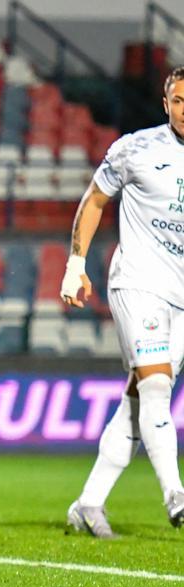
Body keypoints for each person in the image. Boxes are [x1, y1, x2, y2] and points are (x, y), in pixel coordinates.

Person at [63, 66, 184, 538]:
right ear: (166, 104)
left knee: (138, 401)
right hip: (138, 282)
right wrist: (76, 265)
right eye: (179, 101)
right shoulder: (136, 148)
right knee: (156, 387)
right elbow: (94, 200)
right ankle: (175, 493)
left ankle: (89, 503)